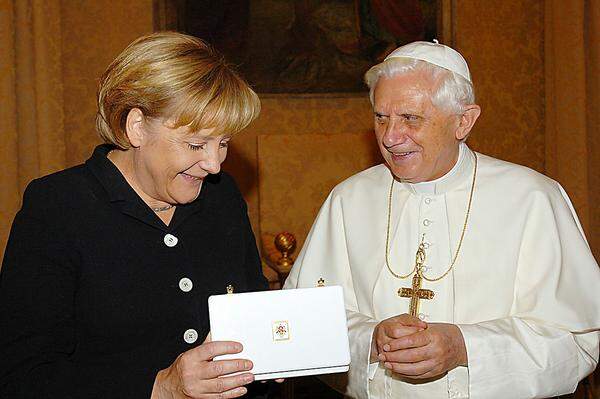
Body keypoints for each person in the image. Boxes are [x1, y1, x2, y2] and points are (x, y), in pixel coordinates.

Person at [284, 40, 600, 398]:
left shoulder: (533, 199)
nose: (390, 137)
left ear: (463, 121)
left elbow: (579, 340)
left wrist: (465, 347)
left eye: (410, 118)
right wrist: (370, 340)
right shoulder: (349, 199)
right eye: (381, 117)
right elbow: (303, 323)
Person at [0, 32, 268, 398]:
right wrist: (159, 387)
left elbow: (252, 315)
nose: (214, 164)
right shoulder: (58, 208)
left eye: (222, 143)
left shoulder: (222, 198)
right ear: (136, 126)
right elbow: (22, 377)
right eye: (196, 144)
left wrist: (270, 357)